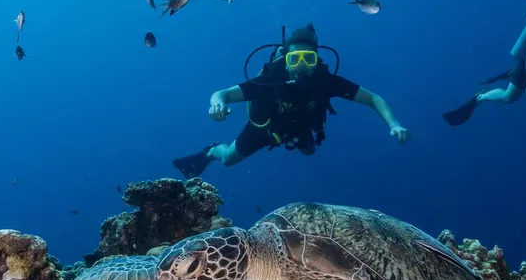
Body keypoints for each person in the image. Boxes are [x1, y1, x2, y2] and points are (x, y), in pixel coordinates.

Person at [172, 23, 411, 178]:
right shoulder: (270, 81)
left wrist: (394, 124)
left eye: (308, 59)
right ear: (285, 61)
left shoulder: (326, 82)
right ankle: (210, 151)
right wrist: (217, 105)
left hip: (301, 128)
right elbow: (222, 93)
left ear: (316, 61)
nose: (301, 66)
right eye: (295, 59)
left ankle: (298, 140)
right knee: (227, 160)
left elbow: (373, 98)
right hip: (264, 128)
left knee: (309, 151)